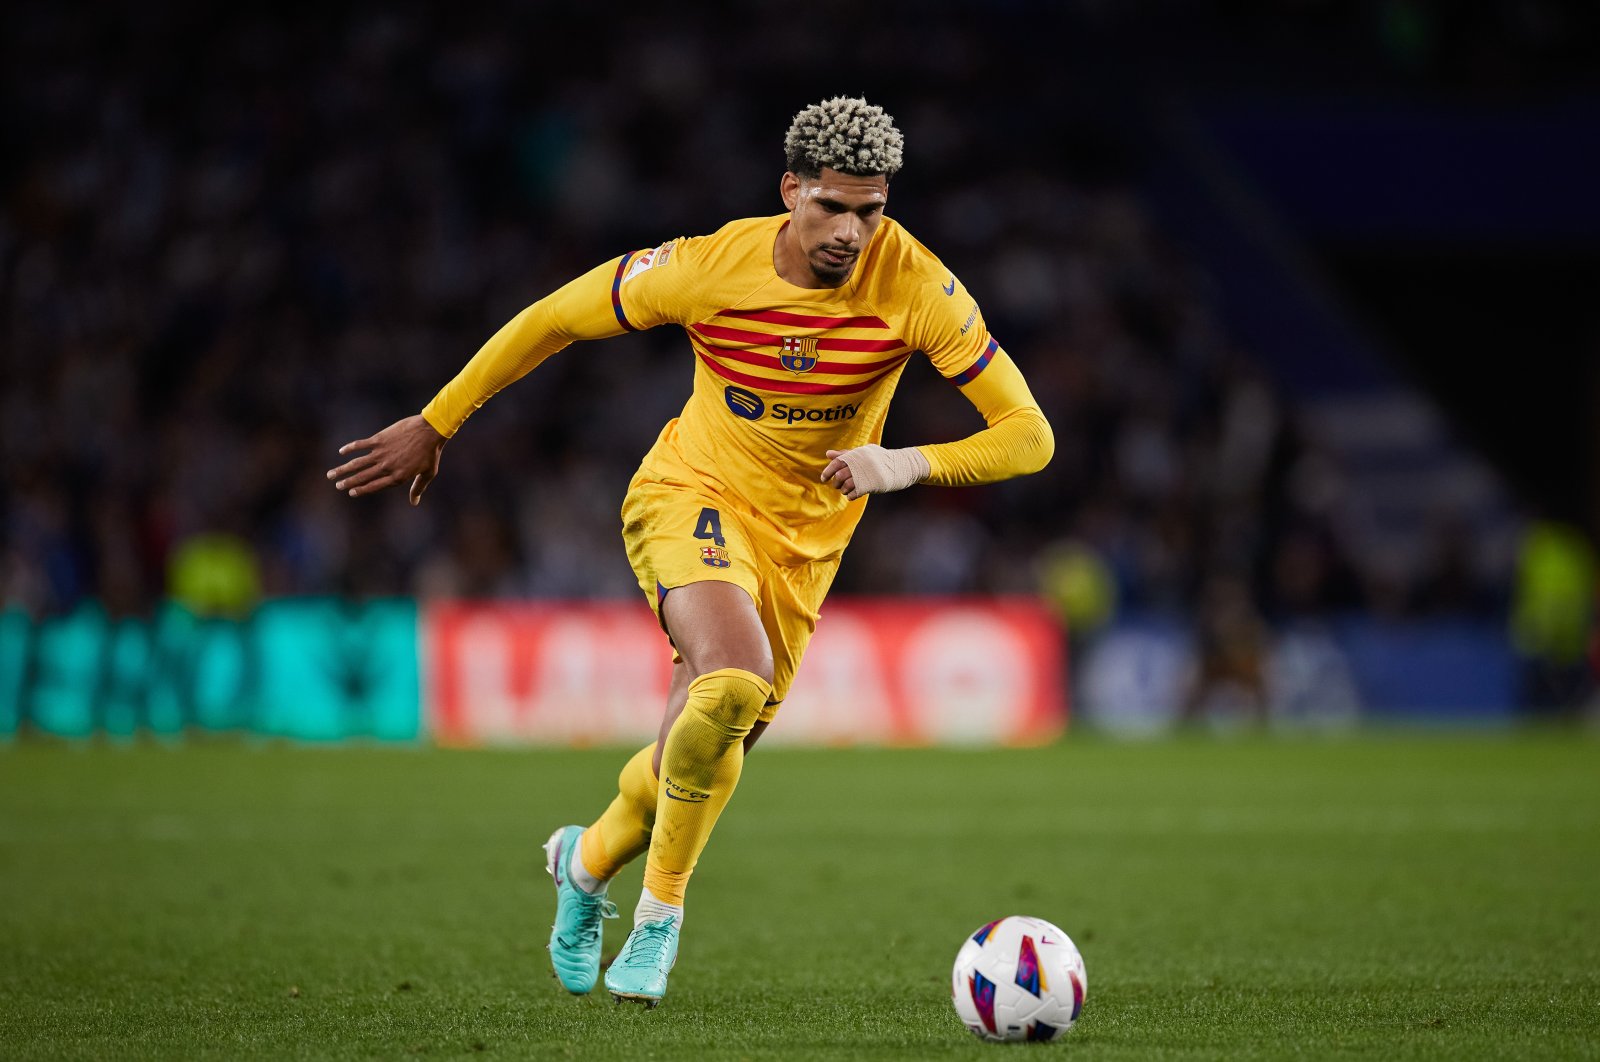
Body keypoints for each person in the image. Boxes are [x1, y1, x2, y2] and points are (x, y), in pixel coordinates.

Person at [326, 96, 1054, 1006]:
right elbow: (556, 315)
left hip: (802, 550)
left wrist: (900, 463)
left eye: (872, 212)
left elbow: (1030, 436)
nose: (852, 233)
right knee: (734, 676)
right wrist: (438, 422)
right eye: (832, 207)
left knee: (704, 745)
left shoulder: (915, 284)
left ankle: (583, 863)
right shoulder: (709, 267)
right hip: (691, 494)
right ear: (791, 190)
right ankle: (658, 919)